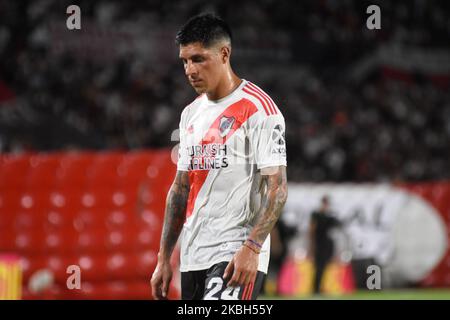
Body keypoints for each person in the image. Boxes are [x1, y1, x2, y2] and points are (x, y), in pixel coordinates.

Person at [150, 13, 288, 300]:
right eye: (185, 61)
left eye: (198, 59)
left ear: (224, 54)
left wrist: (252, 248)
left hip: (235, 250)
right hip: (193, 255)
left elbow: (278, 188)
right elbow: (180, 188)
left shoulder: (259, 108)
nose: (190, 70)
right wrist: (164, 259)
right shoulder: (190, 114)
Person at [308, 195, 341, 294]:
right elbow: (312, 230)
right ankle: (315, 288)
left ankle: (320, 287)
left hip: (326, 244)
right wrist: (312, 245)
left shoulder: (329, 216)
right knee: (318, 267)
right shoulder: (316, 214)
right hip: (319, 243)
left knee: (324, 266)